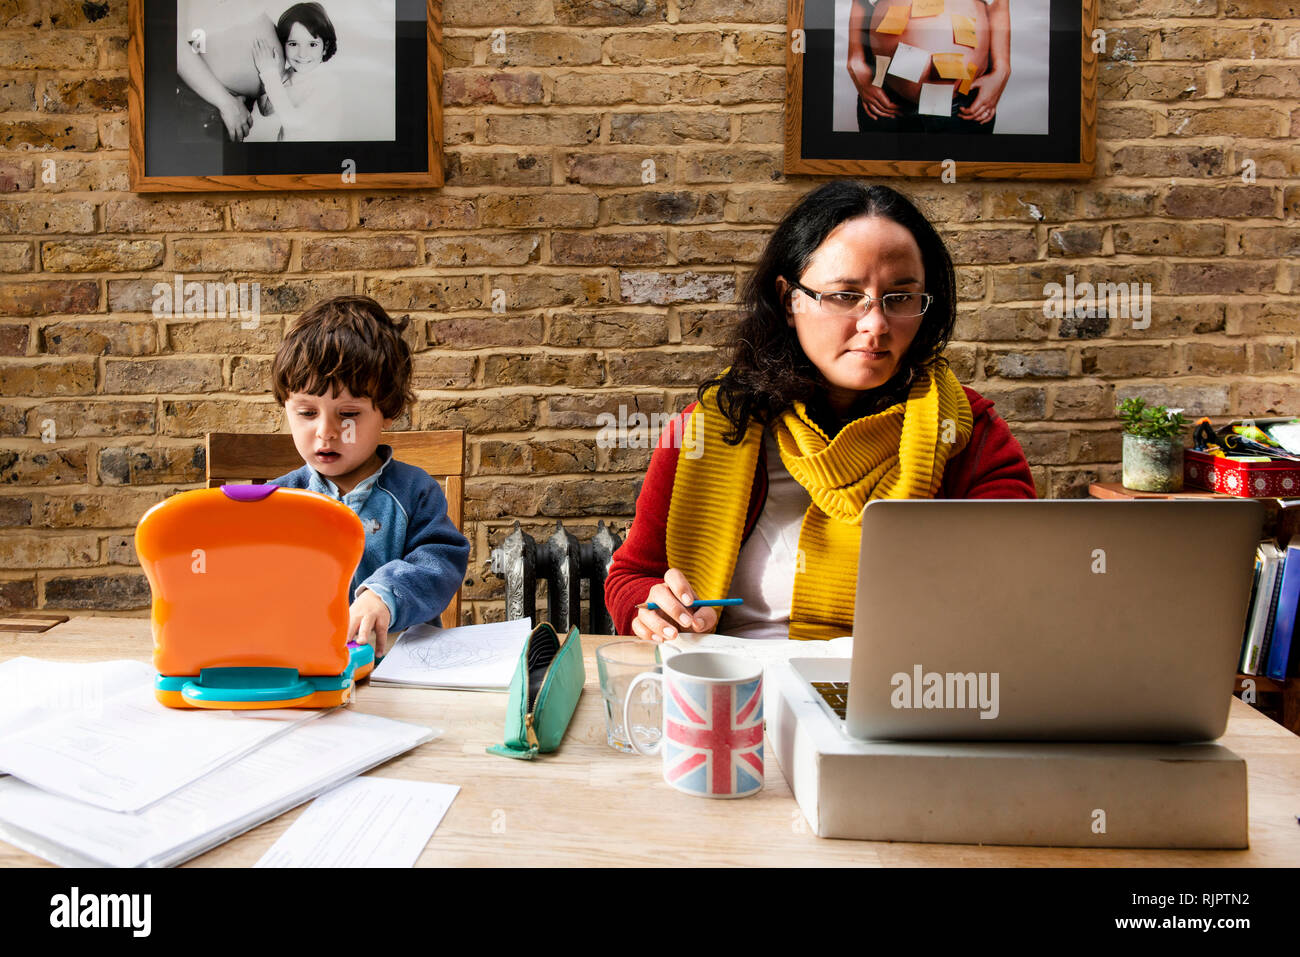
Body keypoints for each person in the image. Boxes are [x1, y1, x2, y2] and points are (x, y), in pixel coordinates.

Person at [605, 181, 1035, 643]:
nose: (875, 325)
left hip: (903, 691)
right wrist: (652, 607)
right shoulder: (712, 426)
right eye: (846, 296)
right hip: (732, 694)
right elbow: (632, 574)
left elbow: (1013, 590)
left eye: (901, 297)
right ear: (790, 299)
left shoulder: (966, 431)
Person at [268, 295, 470, 655]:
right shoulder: (276, 501)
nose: (326, 432)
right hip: (302, 668)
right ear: (286, 407)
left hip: (397, 669)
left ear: (388, 411)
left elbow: (441, 561)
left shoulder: (415, 492)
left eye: (348, 414)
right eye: (306, 412)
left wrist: (384, 594)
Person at [847, 0, 1010, 134]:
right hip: (887, 99)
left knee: (959, 173)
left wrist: (1002, 68)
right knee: (884, 172)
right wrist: (855, 61)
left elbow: (998, 4)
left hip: (964, 104)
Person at [250, 2, 344, 142]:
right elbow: (265, 110)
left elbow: (294, 123)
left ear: (325, 47)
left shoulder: (328, 82)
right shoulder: (288, 74)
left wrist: (269, 74)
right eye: (293, 44)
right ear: (283, 45)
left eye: (312, 44)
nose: (302, 54)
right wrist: (270, 72)